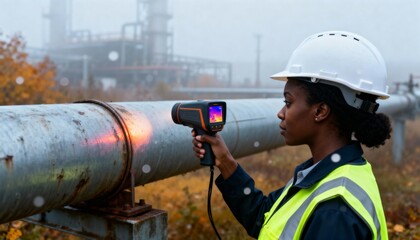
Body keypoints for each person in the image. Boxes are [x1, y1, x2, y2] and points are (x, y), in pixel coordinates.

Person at [192, 31, 391, 240]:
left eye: (288, 102)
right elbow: (265, 219)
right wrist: (225, 162)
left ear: (320, 111)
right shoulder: (325, 175)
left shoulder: (333, 210)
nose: (281, 113)